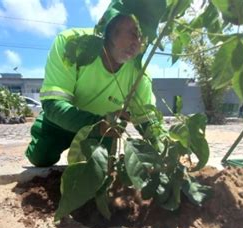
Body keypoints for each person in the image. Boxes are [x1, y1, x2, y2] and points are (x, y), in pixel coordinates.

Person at [25, 6, 164, 167]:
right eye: (134, 33)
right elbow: (53, 104)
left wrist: (164, 148)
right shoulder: (72, 44)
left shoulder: (139, 72)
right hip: (61, 124)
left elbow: (147, 121)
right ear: (111, 27)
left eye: (144, 37)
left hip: (103, 133)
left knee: (98, 169)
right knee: (41, 158)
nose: (138, 43)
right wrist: (98, 124)